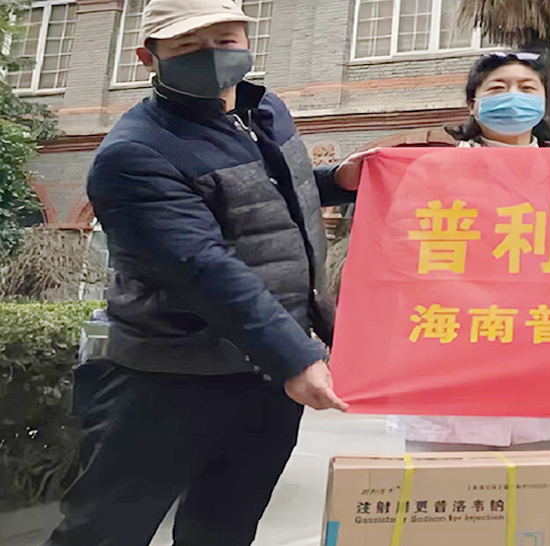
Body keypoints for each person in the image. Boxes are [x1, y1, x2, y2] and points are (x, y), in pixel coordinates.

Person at [47, 0, 370, 543]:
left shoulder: (265, 112)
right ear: (147, 58)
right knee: (107, 531)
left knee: (224, 529)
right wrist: (295, 356)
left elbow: (266, 196)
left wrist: (338, 180)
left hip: (264, 379)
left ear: (248, 41)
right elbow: (200, 266)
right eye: (187, 46)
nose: (212, 55)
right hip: (167, 381)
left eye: (225, 40)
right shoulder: (135, 153)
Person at [384, 51, 550, 452]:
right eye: (498, 88)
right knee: (446, 483)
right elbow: (408, 253)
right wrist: (484, 307)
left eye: (527, 88)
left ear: (544, 102)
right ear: (473, 104)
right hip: (450, 353)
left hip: (540, 347)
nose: (514, 96)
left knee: (535, 485)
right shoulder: (434, 169)